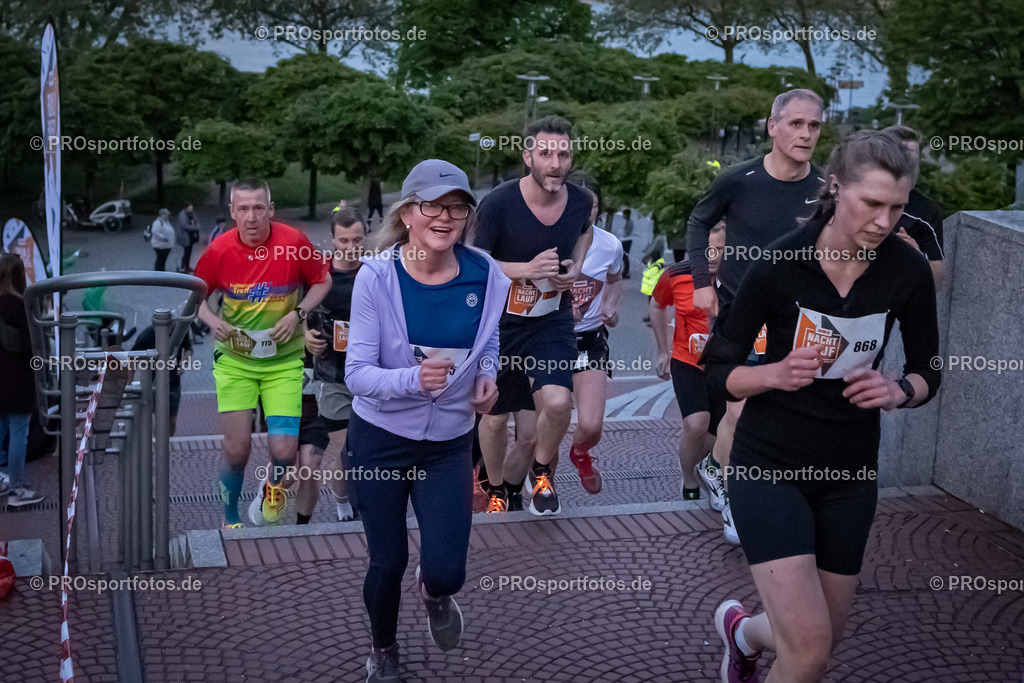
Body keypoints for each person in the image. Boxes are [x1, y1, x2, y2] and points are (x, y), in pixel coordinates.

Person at [706, 130, 940, 683]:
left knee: (821, 639)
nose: (885, 222)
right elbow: (718, 372)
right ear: (836, 188)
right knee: (808, 651)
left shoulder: (904, 271)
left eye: (898, 208)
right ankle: (753, 637)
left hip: (850, 473)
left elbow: (929, 369)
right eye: (873, 204)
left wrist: (899, 391)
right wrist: (773, 374)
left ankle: (742, 633)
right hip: (769, 466)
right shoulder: (780, 264)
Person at [344, 159, 508, 682]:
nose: (445, 217)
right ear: (408, 213)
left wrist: (487, 372)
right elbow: (357, 375)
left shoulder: (486, 274)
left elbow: (489, 337)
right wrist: (412, 381)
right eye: (433, 206)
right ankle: (383, 651)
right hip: (380, 438)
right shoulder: (377, 277)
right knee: (386, 561)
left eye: (456, 207)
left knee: (448, 570)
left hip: (448, 442)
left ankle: (434, 593)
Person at [685, 88, 826, 543]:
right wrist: (704, 284)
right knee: (739, 408)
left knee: (785, 411)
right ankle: (730, 495)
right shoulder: (737, 180)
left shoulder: (826, 189)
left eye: (814, 126)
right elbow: (698, 221)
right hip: (741, 312)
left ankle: (720, 467)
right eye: (796, 124)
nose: (806, 134)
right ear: (772, 126)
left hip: (796, 318)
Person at [193, 177, 331, 529]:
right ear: (232, 212)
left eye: (258, 208)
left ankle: (273, 487)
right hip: (235, 362)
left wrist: (297, 313)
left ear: (271, 209)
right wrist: (212, 320)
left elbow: (322, 280)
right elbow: (194, 298)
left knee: (285, 453)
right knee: (237, 451)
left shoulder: (294, 243)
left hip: (283, 362)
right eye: (243, 209)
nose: (251, 217)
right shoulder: (219, 250)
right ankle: (230, 519)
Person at [472, 115, 593, 516]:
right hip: (500, 323)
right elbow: (476, 263)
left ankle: (541, 472)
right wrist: (525, 269)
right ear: (528, 157)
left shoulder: (580, 200)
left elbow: (584, 232)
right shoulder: (499, 204)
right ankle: (494, 490)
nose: (555, 163)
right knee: (494, 419)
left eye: (562, 154)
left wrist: (575, 266)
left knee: (558, 404)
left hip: (550, 319)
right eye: (545, 154)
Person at [650, 221, 727, 505]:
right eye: (706, 249)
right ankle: (689, 478)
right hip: (687, 361)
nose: (712, 256)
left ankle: (710, 468)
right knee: (696, 425)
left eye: (719, 250)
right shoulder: (676, 275)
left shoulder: (738, 278)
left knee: (718, 433)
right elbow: (657, 305)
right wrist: (662, 350)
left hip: (725, 366)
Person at [303, 207, 369, 522]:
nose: (351, 246)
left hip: (372, 375)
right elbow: (296, 310)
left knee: (369, 449)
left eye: (357, 238)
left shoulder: (376, 273)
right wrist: (305, 335)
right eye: (344, 240)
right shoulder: (320, 277)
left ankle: (369, 502)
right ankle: (343, 502)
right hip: (333, 377)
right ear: (333, 240)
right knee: (347, 450)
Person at [0, 254, 42, 506]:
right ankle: (16, 489)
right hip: (18, 381)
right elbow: (31, 348)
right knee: (18, 433)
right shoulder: (22, 306)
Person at [883, 125, 945, 290]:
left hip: (892, 307)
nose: (909, 165)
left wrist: (917, 256)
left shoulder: (926, 210)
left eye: (914, 158)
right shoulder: (853, 195)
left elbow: (937, 282)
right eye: (902, 155)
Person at [131, 325, 194, 436]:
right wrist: (129, 383)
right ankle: (155, 446)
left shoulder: (178, 331)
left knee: (171, 421)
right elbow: (132, 359)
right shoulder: (146, 335)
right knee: (153, 420)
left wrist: (184, 363)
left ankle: (167, 446)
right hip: (151, 385)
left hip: (173, 384)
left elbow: (188, 348)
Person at [177, 203, 201, 273]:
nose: (191, 208)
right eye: (190, 207)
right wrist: (194, 228)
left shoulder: (191, 213)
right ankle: (183, 266)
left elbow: (195, 220)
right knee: (186, 252)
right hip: (186, 236)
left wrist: (197, 225)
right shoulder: (182, 215)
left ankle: (187, 266)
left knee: (189, 251)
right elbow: (184, 225)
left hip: (191, 236)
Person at [620, 208, 634, 278]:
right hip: (626, 240)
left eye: (624, 214)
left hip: (627, 240)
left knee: (625, 256)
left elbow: (627, 233)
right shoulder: (628, 221)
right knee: (624, 256)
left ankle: (626, 273)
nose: (623, 216)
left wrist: (620, 233)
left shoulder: (629, 222)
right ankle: (625, 272)